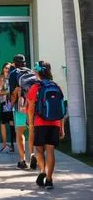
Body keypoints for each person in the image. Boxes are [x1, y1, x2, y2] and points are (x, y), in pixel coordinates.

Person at [27, 61, 65, 190]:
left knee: (38, 150)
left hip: (40, 123)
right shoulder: (57, 86)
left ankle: (42, 170)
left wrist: (31, 125)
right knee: (50, 151)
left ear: (37, 72)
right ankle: (49, 180)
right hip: (54, 123)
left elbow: (30, 109)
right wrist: (62, 128)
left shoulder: (35, 87)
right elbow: (61, 109)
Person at [9, 54, 37, 170]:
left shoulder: (13, 73)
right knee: (31, 131)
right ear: (25, 63)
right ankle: (32, 154)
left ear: (14, 63)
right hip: (32, 106)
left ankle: (22, 160)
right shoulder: (32, 72)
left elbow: (13, 95)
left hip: (20, 106)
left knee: (19, 132)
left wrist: (12, 102)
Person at [0, 62, 15, 153]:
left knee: (12, 124)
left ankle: (12, 145)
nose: (7, 69)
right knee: (3, 124)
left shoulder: (13, 77)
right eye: (6, 68)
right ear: (3, 68)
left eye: (9, 68)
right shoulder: (1, 78)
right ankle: (4, 144)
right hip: (4, 103)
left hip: (12, 103)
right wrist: (8, 92)